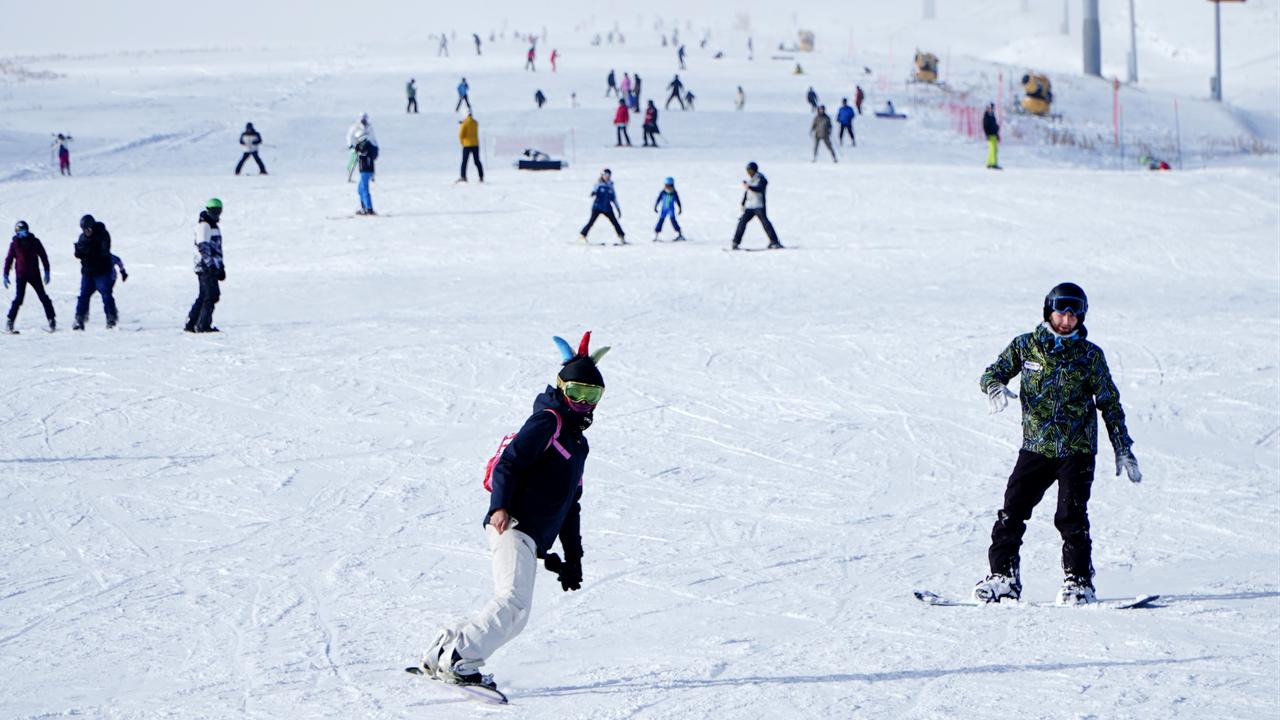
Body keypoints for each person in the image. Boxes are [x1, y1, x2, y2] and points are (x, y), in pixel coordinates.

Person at [420, 332, 609, 695]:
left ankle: (443, 650)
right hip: (512, 522)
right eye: (576, 393)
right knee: (513, 606)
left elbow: (572, 503)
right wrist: (500, 506)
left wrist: (573, 558)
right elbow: (510, 464)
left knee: (508, 602)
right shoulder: (547, 422)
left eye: (592, 396)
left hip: (528, 533)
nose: (583, 403)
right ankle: (461, 658)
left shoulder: (577, 443)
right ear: (560, 387)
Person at [974, 283, 1141, 606]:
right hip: (1036, 447)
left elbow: (1110, 402)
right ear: (1047, 312)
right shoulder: (1026, 346)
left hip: (1076, 451)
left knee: (1071, 517)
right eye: (1061, 312)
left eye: (1073, 314)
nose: (1066, 320)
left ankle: (1078, 583)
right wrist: (993, 387)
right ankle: (1004, 577)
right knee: (1012, 511)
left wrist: (1122, 445)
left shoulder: (1090, 355)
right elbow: (992, 373)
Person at [4, 221, 56, 333]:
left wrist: (47, 270)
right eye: (19, 233)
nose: (22, 235)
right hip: (21, 275)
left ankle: (51, 320)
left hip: (34, 274)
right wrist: (5, 274)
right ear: (16, 234)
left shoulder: (34, 241)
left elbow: (43, 255)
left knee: (43, 296)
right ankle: (10, 321)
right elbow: (9, 259)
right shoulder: (14, 244)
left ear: (27, 231)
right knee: (19, 299)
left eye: (24, 232)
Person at [185, 199, 225, 333]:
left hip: (210, 265)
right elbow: (202, 246)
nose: (217, 214)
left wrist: (221, 266)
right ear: (208, 210)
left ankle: (192, 324)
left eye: (218, 211)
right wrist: (210, 264)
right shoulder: (204, 226)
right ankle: (202, 325)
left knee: (205, 295)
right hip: (205, 266)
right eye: (214, 211)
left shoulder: (213, 227)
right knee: (211, 295)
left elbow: (217, 249)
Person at [72, 214, 117, 330]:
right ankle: (79, 319)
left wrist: (89, 250)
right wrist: (78, 250)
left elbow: (104, 252)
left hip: (102, 271)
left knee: (106, 295)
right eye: (84, 230)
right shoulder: (82, 238)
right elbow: (78, 254)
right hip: (88, 272)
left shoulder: (102, 235)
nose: (86, 232)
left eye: (88, 229)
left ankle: (111, 318)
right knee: (83, 296)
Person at [731, 161, 782, 250]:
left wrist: (749, 187)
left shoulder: (761, 178)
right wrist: (743, 202)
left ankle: (774, 242)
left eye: (750, 171)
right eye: (748, 171)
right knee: (742, 222)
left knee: (765, 223)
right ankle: (735, 242)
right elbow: (748, 192)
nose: (749, 173)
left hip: (759, 205)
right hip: (750, 206)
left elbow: (760, 189)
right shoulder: (751, 180)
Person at [579, 169, 625, 243]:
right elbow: (594, 190)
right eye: (605, 175)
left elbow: (614, 198)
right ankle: (582, 235)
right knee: (591, 222)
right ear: (602, 175)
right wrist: (593, 193)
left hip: (607, 208)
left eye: (608, 175)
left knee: (615, 222)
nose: (607, 177)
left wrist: (618, 209)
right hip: (597, 207)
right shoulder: (598, 184)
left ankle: (621, 236)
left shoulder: (611, 186)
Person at [346, 114, 377, 182]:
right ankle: (349, 177)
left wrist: (375, 145)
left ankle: (372, 176)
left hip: (367, 146)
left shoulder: (369, 126)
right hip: (357, 146)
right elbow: (350, 136)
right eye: (363, 118)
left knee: (369, 161)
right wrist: (351, 145)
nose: (364, 120)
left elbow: (372, 137)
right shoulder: (355, 127)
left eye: (365, 118)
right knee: (353, 161)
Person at [653, 177, 684, 241]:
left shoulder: (674, 193)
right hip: (664, 210)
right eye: (666, 185)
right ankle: (656, 235)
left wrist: (680, 208)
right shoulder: (663, 192)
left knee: (673, 220)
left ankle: (679, 234)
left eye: (669, 186)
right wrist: (656, 206)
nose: (668, 187)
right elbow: (658, 199)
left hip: (671, 209)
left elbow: (678, 201)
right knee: (660, 221)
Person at [458, 112, 484, 183]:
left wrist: (462, 142)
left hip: (467, 145)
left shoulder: (465, 123)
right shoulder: (475, 123)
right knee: (477, 161)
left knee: (464, 162)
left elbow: (461, 134)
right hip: (475, 144)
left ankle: (463, 176)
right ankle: (481, 176)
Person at [355, 139, 378, 215]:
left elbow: (364, 153)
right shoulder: (365, 144)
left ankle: (369, 208)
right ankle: (364, 207)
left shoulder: (365, 145)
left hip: (366, 170)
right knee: (360, 189)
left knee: (364, 189)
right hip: (365, 170)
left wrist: (358, 150)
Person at [983, 103, 1001, 170]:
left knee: (993, 149)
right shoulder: (986, 116)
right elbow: (985, 126)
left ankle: (989, 163)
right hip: (990, 135)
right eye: (990, 108)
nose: (992, 109)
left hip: (994, 135)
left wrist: (997, 135)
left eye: (992, 108)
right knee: (993, 149)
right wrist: (987, 135)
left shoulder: (992, 116)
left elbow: (994, 126)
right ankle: (993, 164)